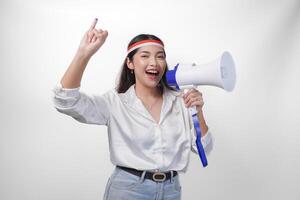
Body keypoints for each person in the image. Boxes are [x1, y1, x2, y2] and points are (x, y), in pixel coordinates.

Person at [53, 18, 213, 200]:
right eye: (145, 56)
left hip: (171, 190)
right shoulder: (115, 103)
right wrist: (84, 54)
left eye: (160, 56)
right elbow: (65, 101)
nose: (154, 62)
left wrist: (198, 111)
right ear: (130, 63)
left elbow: (204, 148)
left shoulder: (179, 101)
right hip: (129, 190)